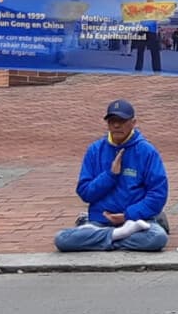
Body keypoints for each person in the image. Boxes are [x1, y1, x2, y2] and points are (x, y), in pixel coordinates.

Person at [54, 99, 169, 252]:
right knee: (62, 239)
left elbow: (158, 194)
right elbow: (85, 193)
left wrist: (127, 215)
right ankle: (117, 235)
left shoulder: (147, 151)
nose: (116, 126)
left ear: (133, 122)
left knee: (157, 238)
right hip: (101, 221)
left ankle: (102, 239)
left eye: (121, 121)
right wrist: (110, 175)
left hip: (136, 221)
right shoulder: (95, 150)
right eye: (112, 121)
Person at [133, 0, 162, 72]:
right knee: (140, 51)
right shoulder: (141, 6)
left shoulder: (157, 7)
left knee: (155, 52)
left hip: (152, 31)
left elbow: (162, 15)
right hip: (142, 30)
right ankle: (138, 69)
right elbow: (135, 15)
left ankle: (157, 70)